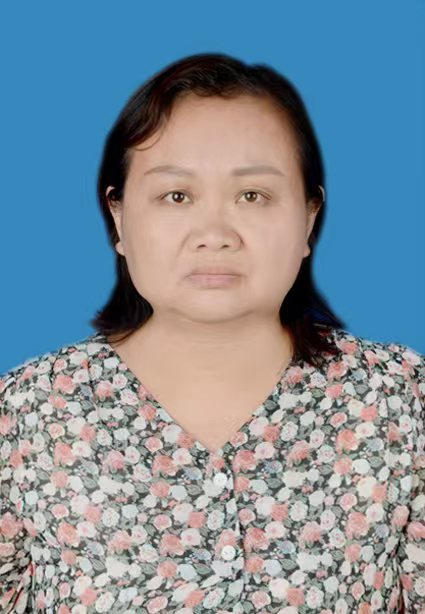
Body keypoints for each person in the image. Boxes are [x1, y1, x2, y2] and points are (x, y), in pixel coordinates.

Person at [0, 52, 423, 614]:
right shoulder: (27, 414)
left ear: (308, 218)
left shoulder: (399, 399)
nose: (216, 233)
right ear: (119, 218)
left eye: (253, 195)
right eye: (176, 196)